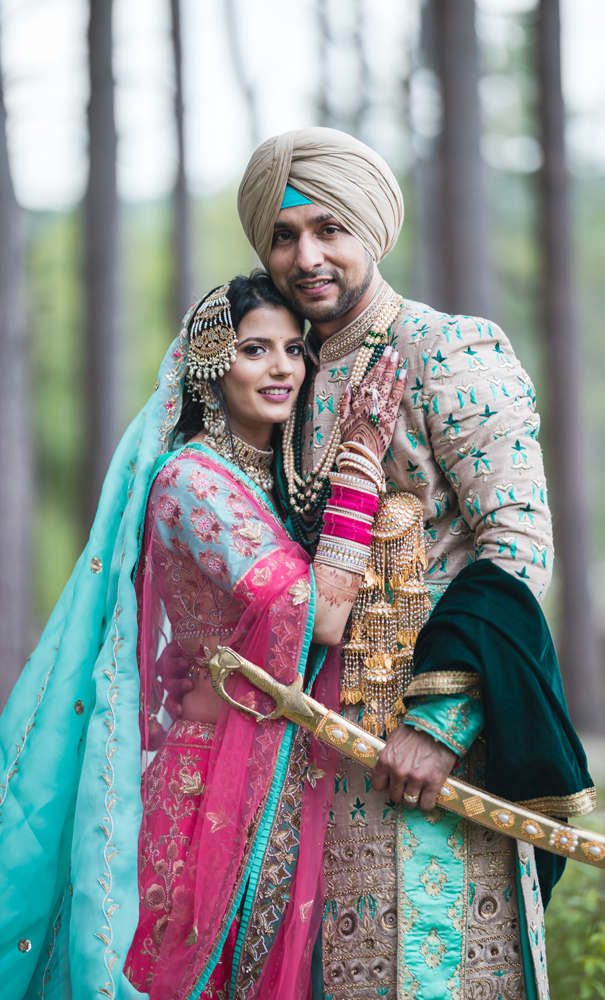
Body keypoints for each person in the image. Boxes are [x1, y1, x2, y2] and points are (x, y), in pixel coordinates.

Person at [237, 128, 596, 1000]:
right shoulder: (281, 372)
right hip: (303, 748)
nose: (307, 256)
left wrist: (438, 729)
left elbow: (514, 544)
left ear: (370, 227)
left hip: (426, 746)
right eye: (284, 237)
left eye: (329, 229)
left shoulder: (449, 350)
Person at [0, 270, 405, 1000]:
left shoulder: (266, 482)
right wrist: (360, 462)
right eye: (255, 350)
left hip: (276, 764)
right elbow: (321, 615)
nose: (283, 367)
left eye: (292, 349)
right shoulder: (191, 480)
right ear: (211, 367)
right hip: (207, 787)